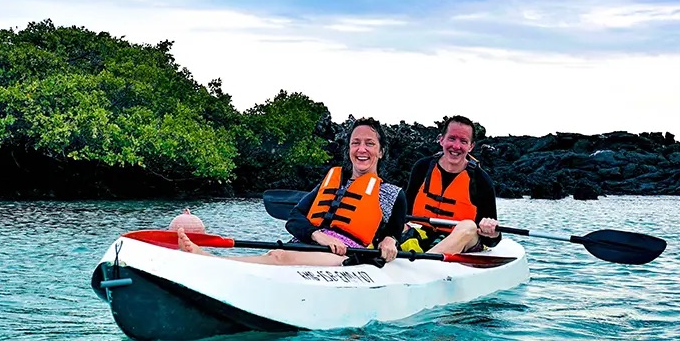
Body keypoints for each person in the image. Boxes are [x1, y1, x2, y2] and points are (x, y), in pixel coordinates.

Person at [178, 117, 404, 266]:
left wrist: (390, 240)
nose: (361, 149)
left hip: (345, 254)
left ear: (381, 151)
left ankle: (209, 260)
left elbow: (394, 233)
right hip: (306, 243)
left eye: (369, 143)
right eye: (355, 143)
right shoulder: (331, 182)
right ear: (349, 149)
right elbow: (295, 218)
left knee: (278, 256)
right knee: (274, 255)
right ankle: (212, 260)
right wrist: (317, 234)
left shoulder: (391, 193)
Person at [400, 115, 500, 255]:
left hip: (462, 242)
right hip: (422, 236)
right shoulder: (422, 167)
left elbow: (493, 241)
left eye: (463, 141)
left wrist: (492, 231)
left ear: (471, 146)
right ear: (441, 140)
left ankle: (426, 259)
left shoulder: (481, 180)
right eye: (452, 138)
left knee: (469, 226)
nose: (456, 146)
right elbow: (404, 212)